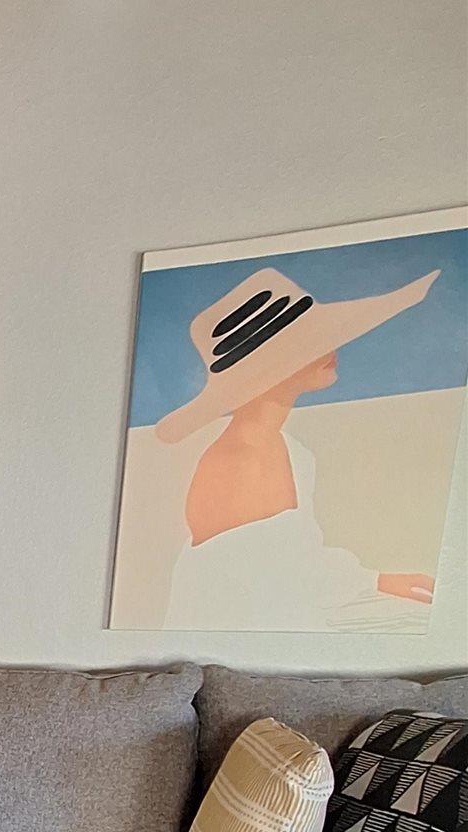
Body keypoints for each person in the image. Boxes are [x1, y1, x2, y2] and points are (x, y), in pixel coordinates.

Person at [156, 263, 439, 632]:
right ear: (265, 369)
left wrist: (379, 580)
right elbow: (255, 592)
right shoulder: (238, 461)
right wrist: (375, 583)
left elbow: (295, 568)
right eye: (308, 343)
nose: (332, 348)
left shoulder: (292, 451)